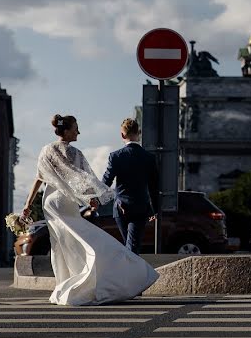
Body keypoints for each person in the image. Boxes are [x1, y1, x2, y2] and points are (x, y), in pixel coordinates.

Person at [21, 114, 158, 306]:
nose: (79, 131)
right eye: (76, 128)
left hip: (50, 202)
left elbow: (38, 178)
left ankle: (62, 287)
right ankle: (102, 277)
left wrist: (28, 205)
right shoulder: (76, 154)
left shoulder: (46, 150)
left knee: (60, 245)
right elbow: (84, 179)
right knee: (81, 241)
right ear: (67, 131)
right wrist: (94, 199)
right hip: (66, 202)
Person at [102, 118, 160, 254]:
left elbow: (106, 181)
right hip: (140, 208)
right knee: (133, 245)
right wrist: (155, 210)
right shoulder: (149, 158)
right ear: (139, 133)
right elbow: (154, 187)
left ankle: (129, 270)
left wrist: (95, 198)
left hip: (121, 207)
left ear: (122, 135)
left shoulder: (116, 156)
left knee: (129, 245)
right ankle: (132, 270)